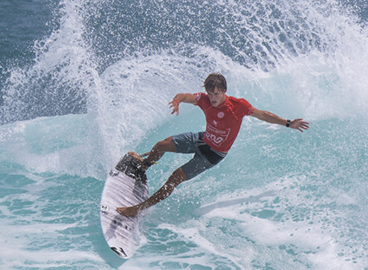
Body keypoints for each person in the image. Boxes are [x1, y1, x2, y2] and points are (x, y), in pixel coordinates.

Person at [117, 73, 309, 218]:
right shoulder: (204, 100)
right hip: (202, 139)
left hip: (213, 155)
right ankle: (144, 165)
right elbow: (184, 96)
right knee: (160, 145)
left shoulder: (238, 106)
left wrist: (287, 122)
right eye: (210, 94)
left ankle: (137, 209)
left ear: (224, 91)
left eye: (216, 94)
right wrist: (177, 101)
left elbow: (263, 115)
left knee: (174, 179)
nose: (213, 98)